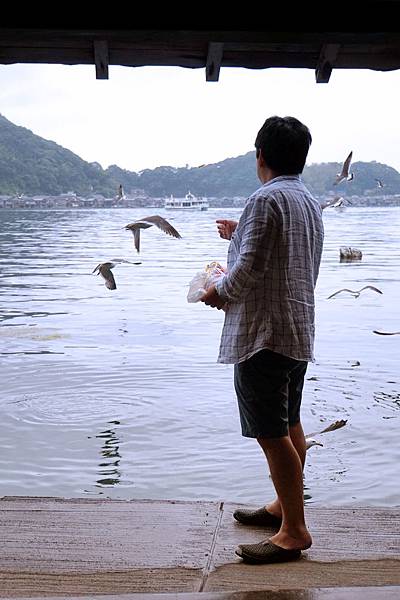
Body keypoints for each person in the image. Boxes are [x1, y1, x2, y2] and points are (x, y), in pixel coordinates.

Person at [201, 116, 324, 564]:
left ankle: (294, 531)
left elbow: (248, 270)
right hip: (297, 328)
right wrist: (240, 231)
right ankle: (281, 508)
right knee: (290, 423)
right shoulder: (307, 200)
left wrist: (216, 293)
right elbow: (283, 251)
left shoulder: (264, 198)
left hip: (263, 335)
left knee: (272, 434)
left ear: (260, 156)